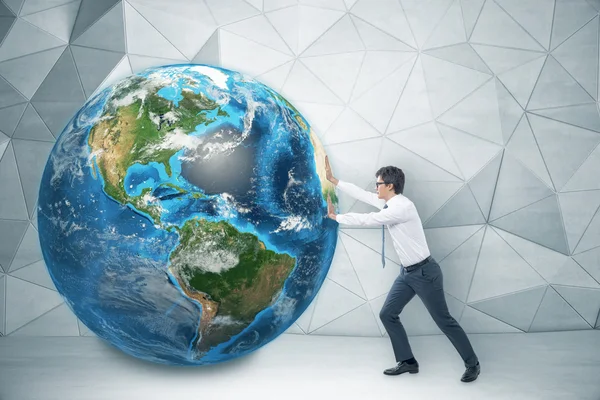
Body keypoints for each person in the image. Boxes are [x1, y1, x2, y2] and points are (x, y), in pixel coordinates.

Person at [324, 156, 480, 383]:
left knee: (444, 320)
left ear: (390, 185)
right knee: (388, 314)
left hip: (425, 274)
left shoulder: (402, 207)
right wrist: (334, 180)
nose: (374, 188)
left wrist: (336, 217)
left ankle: (472, 364)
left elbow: (371, 219)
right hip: (407, 274)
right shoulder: (389, 202)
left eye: (378, 184)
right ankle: (408, 361)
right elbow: (362, 195)